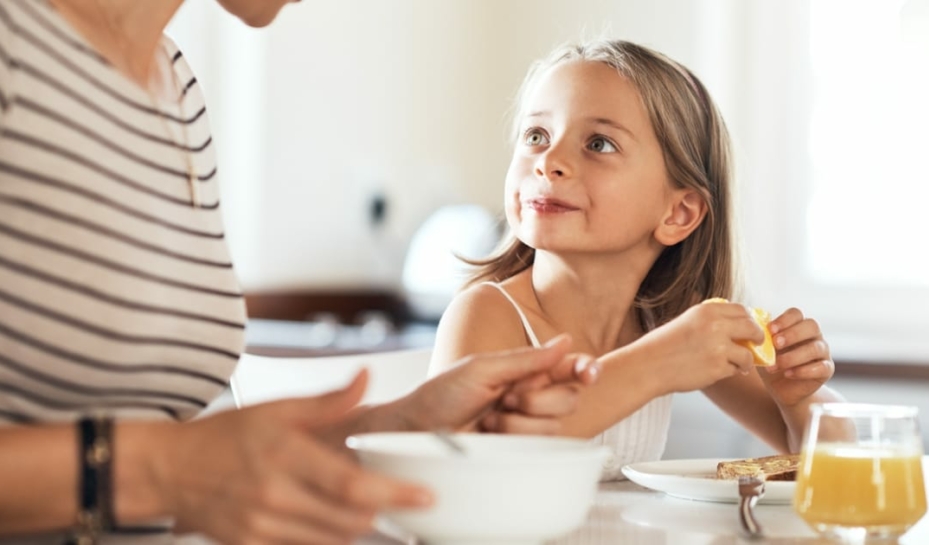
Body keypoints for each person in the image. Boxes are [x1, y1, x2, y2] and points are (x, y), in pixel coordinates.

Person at [0, 1, 602, 543]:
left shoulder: (173, 86)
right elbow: (166, 470)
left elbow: (184, 476)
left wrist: (400, 426)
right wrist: (165, 468)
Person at [428, 38, 846, 480]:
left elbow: (844, 464)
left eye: (599, 144)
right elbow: (460, 472)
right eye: (537, 136)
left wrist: (796, 401)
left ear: (678, 213)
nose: (549, 161)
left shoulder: (668, 324)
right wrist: (656, 364)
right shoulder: (488, 313)